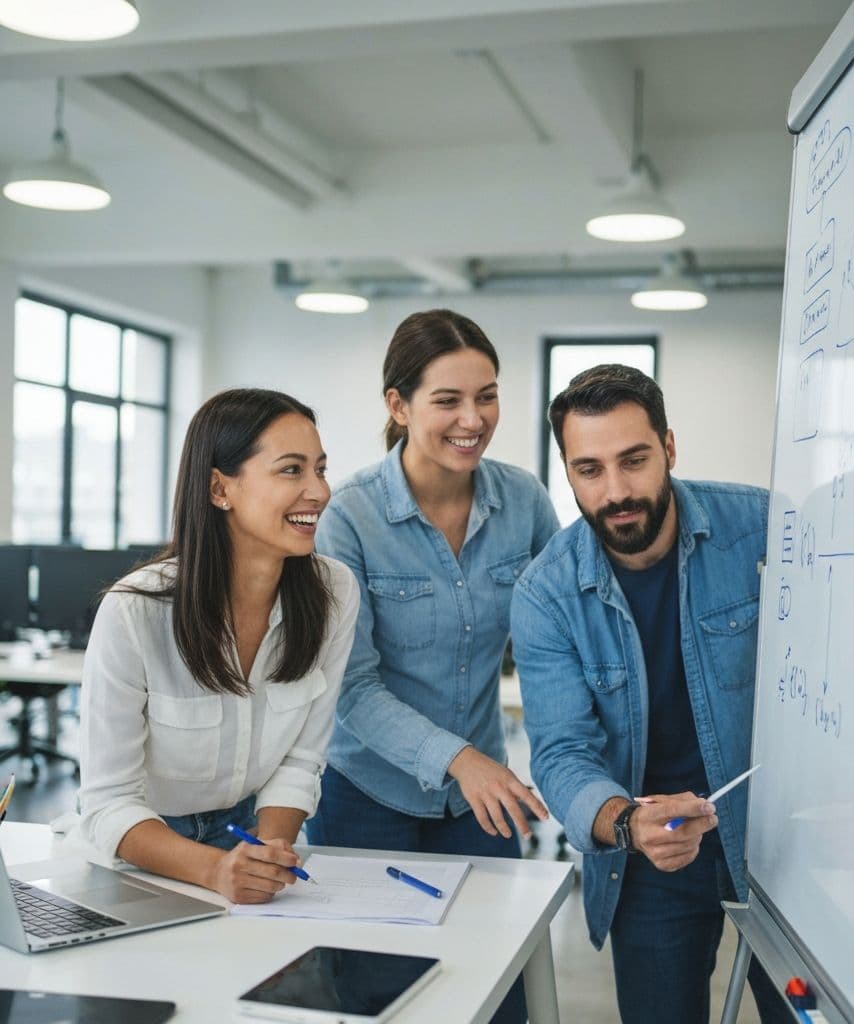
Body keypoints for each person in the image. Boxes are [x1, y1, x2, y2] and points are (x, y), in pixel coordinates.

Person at [510, 364, 789, 1024]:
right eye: (589, 470)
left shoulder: (763, 527)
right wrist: (626, 824)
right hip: (650, 848)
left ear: (669, 447)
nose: (615, 492)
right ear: (567, 473)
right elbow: (561, 753)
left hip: (779, 836)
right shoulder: (546, 593)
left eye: (634, 460)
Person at [308, 309, 558, 1023]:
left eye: (487, 396)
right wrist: (460, 760)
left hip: (479, 803)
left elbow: (563, 635)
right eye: (448, 400)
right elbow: (351, 687)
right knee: (383, 1002)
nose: (472, 419)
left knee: (497, 991)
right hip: (364, 796)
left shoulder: (524, 502)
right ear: (399, 404)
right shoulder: (348, 517)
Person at [77, 388, 359, 904]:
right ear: (218, 488)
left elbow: (301, 760)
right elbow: (108, 802)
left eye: (320, 470)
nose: (319, 491)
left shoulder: (334, 594)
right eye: (291, 470)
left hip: (248, 835)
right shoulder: (134, 612)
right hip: (145, 849)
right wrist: (215, 871)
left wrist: (263, 857)